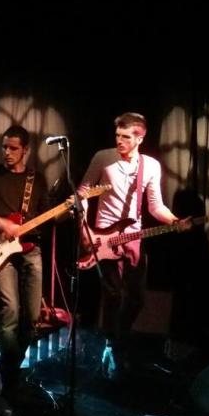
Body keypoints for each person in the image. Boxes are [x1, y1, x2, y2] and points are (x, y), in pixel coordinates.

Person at [78, 112, 189, 381]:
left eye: (126, 137)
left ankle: (118, 340)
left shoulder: (150, 166)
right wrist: (84, 229)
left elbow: (155, 206)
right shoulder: (103, 157)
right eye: (117, 135)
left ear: (140, 138)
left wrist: (175, 221)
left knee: (137, 298)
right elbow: (82, 192)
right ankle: (111, 346)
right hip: (104, 238)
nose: (119, 141)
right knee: (113, 295)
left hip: (133, 237)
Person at [0, 125, 49, 400]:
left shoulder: (37, 179)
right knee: (10, 312)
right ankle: (9, 379)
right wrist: (1, 223)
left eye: (13, 148)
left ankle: (9, 367)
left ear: (25, 150)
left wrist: (66, 212)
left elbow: (45, 216)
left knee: (33, 318)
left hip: (30, 249)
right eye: (4, 147)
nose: (7, 152)